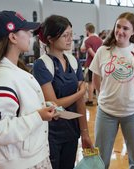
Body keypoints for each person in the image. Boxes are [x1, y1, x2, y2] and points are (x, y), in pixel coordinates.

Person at [0, 10, 56, 169]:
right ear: (13, 37)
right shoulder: (3, 77)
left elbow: (20, 110)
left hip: (31, 157)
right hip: (21, 163)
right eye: (26, 31)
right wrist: (38, 116)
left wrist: (42, 109)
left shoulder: (14, 71)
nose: (30, 36)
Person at [89, 12, 134, 169]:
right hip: (106, 112)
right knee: (100, 159)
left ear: (133, 32)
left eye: (126, 28)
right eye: (118, 26)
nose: (120, 31)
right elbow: (96, 79)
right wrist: (105, 95)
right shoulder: (103, 51)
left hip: (133, 112)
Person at [33, 15, 93, 169]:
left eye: (71, 34)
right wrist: (80, 93)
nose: (70, 39)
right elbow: (53, 104)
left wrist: (84, 132)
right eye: (65, 35)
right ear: (51, 39)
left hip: (72, 132)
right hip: (51, 135)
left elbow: (80, 103)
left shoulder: (73, 62)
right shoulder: (41, 65)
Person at [83, 23, 103, 106]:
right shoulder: (100, 40)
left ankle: (90, 100)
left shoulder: (87, 40)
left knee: (90, 83)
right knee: (99, 82)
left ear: (87, 30)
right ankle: (99, 100)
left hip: (91, 64)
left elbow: (92, 53)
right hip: (100, 63)